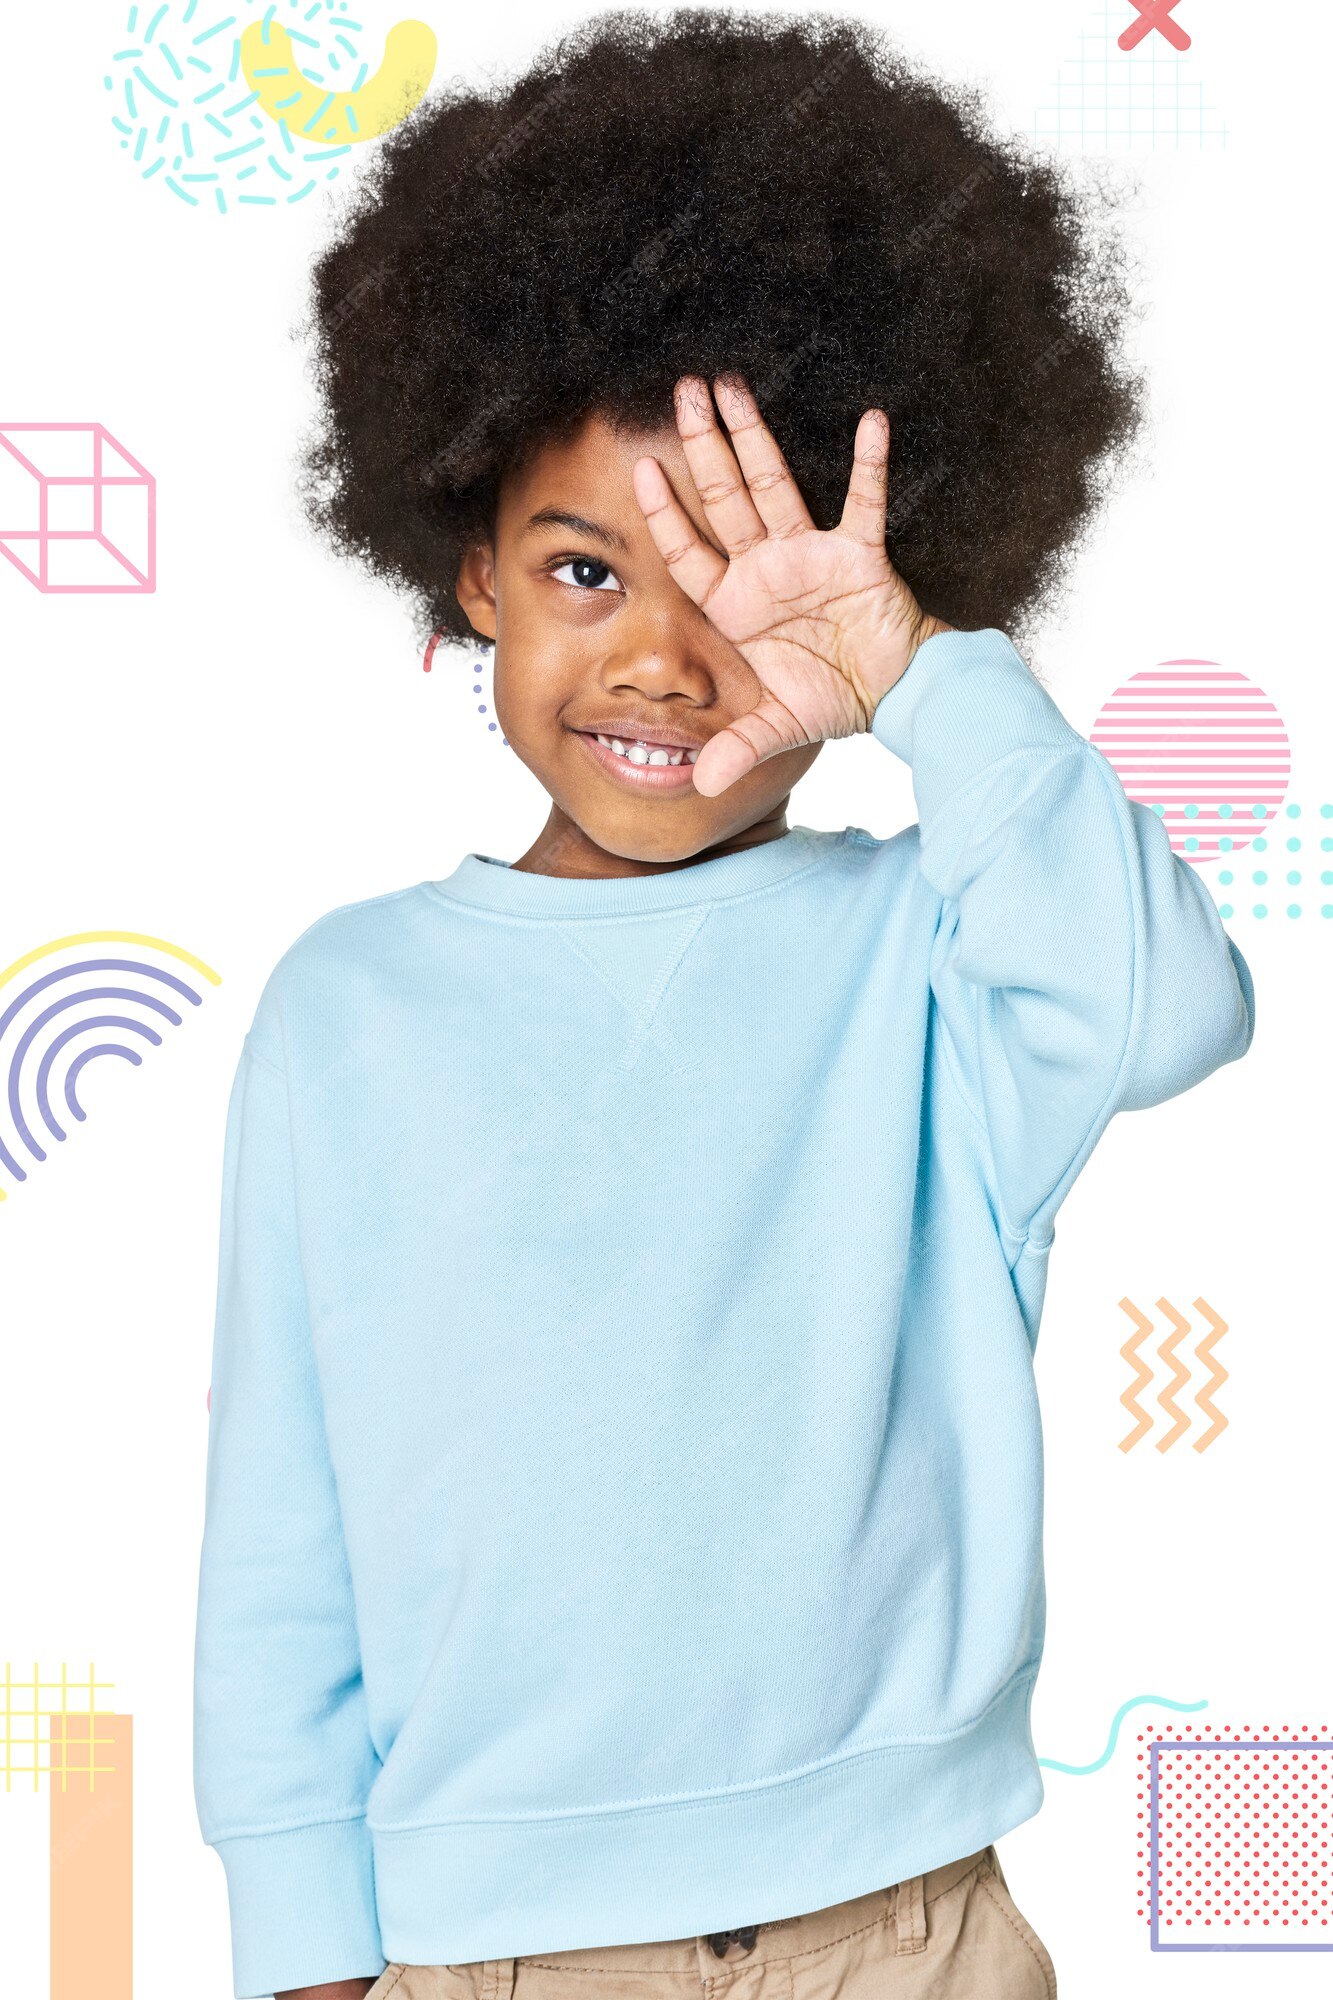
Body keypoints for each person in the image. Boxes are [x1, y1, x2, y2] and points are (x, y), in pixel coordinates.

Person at [191, 10, 1255, 1997]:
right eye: (587, 567)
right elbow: (284, 1522)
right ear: (469, 571)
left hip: (905, 1920)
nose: (666, 661)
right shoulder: (351, 1014)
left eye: (740, 584)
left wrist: (921, 673)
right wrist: (298, 1941)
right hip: (496, 1946)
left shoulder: (931, 960)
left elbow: (1165, 1008)